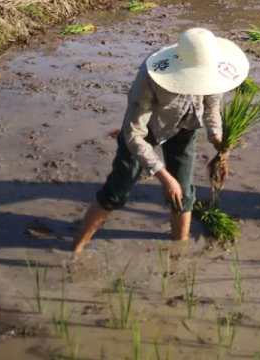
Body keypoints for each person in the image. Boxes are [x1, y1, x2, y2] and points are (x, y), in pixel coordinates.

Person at [72, 28, 249, 253]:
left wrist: (216, 135)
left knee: (183, 195)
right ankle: (75, 251)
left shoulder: (213, 71)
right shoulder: (150, 77)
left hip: (185, 128)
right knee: (116, 190)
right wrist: (163, 175)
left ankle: (179, 254)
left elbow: (212, 106)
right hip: (146, 130)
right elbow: (133, 134)